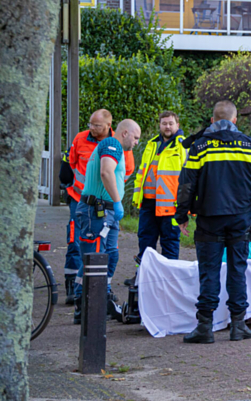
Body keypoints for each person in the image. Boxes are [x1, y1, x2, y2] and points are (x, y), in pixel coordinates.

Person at [175, 100, 251, 343]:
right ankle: (238, 325)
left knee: (208, 271)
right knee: (237, 270)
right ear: (235, 121)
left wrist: (181, 215)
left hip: (209, 218)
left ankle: (204, 327)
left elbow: (186, 185)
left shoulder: (199, 147)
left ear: (212, 121)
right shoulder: (250, 146)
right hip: (241, 218)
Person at [62, 109, 136, 304]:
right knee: (94, 257)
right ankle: (84, 302)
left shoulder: (113, 146)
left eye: (97, 125)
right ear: (125, 133)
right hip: (96, 209)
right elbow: (106, 173)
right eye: (135, 138)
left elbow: (122, 174)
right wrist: (118, 201)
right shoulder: (112, 144)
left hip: (105, 209)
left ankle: (102, 293)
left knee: (110, 254)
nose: (136, 143)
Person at [132, 111, 187, 266]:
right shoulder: (152, 144)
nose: (167, 127)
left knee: (169, 243)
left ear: (178, 125)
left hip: (171, 206)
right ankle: (141, 277)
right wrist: (137, 197)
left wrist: (186, 207)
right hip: (149, 203)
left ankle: (168, 280)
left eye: (171, 123)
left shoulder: (184, 146)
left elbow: (190, 178)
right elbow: (141, 172)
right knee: (145, 241)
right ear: (160, 125)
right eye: (164, 123)